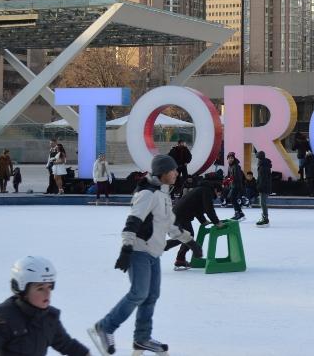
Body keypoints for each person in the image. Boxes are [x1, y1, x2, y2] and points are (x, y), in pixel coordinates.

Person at [88, 154, 203, 356]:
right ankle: (105, 327)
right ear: (163, 172)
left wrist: (189, 241)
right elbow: (133, 221)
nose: (177, 173)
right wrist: (126, 248)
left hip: (153, 252)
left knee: (151, 295)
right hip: (139, 250)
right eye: (173, 170)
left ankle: (142, 338)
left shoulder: (163, 194)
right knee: (138, 293)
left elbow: (170, 225)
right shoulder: (147, 194)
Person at [0, 256, 91, 356]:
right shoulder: (2, 318)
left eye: (49, 287)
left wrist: (84, 353)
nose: (47, 293)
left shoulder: (49, 319)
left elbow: (66, 344)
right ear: (23, 291)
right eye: (40, 288)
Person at [171, 180, 223, 270]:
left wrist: (203, 221)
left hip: (179, 213)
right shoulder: (207, 191)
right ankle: (178, 259)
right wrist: (216, 222)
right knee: (188, 236)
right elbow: (209, 209)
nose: (218, 195)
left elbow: (197, 208)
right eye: (219, 193)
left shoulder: (201, 189)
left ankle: (179, 259)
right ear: (215, 189)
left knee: (186, 236)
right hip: (181, 215)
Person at [226, 152, 246, 221]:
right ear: (227, 159)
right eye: (229, 158)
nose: (230, 159)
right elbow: (229, 176)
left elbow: (237, 177)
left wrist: (230, 180)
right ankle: (239, 213)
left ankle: (238, 213)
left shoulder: (236, 166)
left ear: (234, 159)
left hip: (237, 185)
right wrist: (226, 181)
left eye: (232, 158)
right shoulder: (230, 166)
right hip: (233, 185)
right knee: (231, 198)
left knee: (232, 198)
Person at [255, 150, 273, 227]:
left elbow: (263, 179)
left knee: (263, 203)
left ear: (260, 158)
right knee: (262, 203)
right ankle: (264, 217)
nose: (257, 160)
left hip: (264, 187)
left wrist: (259, 186)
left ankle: (265, 219)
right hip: (264, 187)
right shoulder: (264, 165)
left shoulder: (263, 167)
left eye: (258, 158)